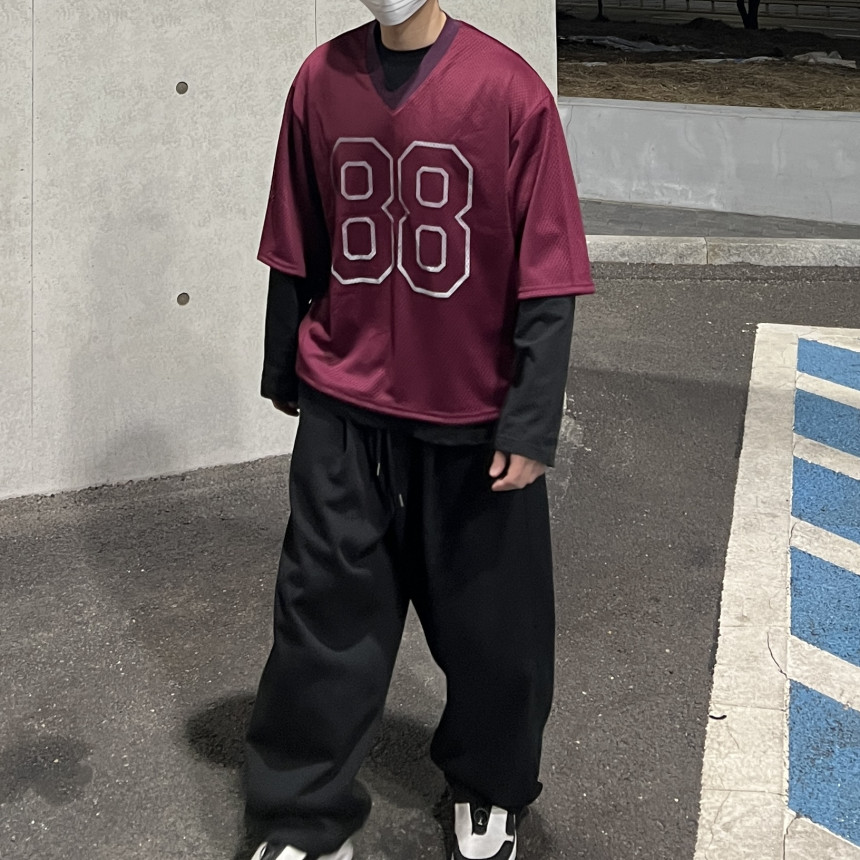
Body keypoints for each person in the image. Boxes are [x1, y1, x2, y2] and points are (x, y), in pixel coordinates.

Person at [244, 1, 594, 858]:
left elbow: (548, 270)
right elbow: (297, 239)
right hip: (346, 409)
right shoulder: (319, 81)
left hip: (471, 419)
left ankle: (490, 788)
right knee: (321, 618)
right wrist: (285, 366)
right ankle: (302, 816)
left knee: (495, 630)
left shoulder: (510, 92)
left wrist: (530, 418)